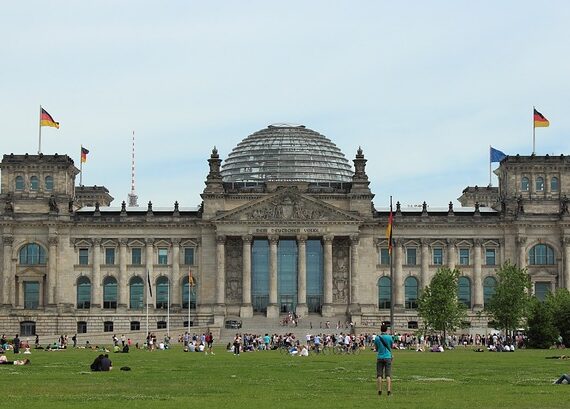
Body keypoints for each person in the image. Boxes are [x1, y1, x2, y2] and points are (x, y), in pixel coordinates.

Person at [374, 324, 393, 397]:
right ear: (386, 330)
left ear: (380, 329)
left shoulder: (377, 338)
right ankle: (388, 391)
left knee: (379, 375)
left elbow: (376, 348)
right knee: (388, 375)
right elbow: (391, 346)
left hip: (380, 357)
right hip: (388, 356)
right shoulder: (389, 337)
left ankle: (379, 391)